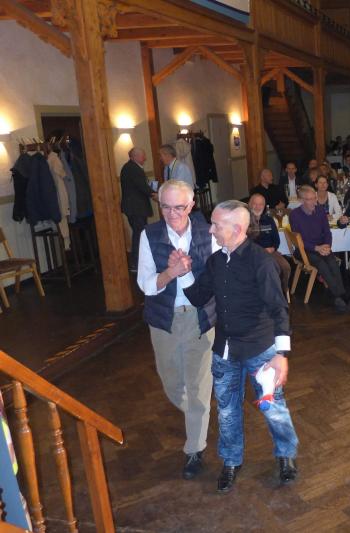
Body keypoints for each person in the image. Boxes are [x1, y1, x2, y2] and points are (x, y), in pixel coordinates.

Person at [183, 200, 298, 493]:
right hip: (225, 349)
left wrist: (281, 355)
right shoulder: (215, 261)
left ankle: (286, 454)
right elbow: (198, 297)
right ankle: (231, 461)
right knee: (227, 410)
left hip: (261, 350)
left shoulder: (262, 262)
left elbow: (279, 309)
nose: (211, 230)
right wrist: (182, 271)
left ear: (236, 229)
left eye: (216, 225)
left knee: (273, 407)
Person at [136, 179, 217, 480]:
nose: (172, 214)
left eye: (179, 207)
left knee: (198, 386)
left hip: (200, 317)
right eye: (165, 207)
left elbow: (218, 275)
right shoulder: (150, 235)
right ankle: (198, 414)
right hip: (164, 320)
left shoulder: (208, 233)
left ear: (192, 204)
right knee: (172, 384)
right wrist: (171, 272)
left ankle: (194, 448)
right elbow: (146, 284)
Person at [289, 186, 350, 312]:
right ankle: (340, 295)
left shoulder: (320, 210)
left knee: (332, 261)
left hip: (321, 247)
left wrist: (327, 246)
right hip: (304, 250)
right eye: (310, 199)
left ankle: (339, 295)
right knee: (321, 263)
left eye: (315, 198)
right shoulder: (294, 215)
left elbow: (327, 232)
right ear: (301, 200)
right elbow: (299, 241)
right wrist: (316, 248)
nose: (315, 202)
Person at [248, 193, 290, 295]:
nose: (258, 207)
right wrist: (261, 250)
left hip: (270, 251)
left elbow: (276, 239)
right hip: (253, 254)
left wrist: (273, 248)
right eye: (255, 204)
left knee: (285, 267)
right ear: (249, 204)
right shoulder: (246, 221)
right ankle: (268, 293)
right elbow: (246, 242)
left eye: (261, 204)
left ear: (264, 206)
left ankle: (282, 291)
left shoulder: (269, 220)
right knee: (271, 268)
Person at [121, 147, 154, 269]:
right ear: (135, 156)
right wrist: (155, 194)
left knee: (139, 234)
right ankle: (136, 263)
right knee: (139, 235)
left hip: (134, 208)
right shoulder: (133, 168)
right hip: (136, 208)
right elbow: (142, 186)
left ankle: (138, 262)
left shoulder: (129, 167)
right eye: (143, 156)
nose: (145, 158)